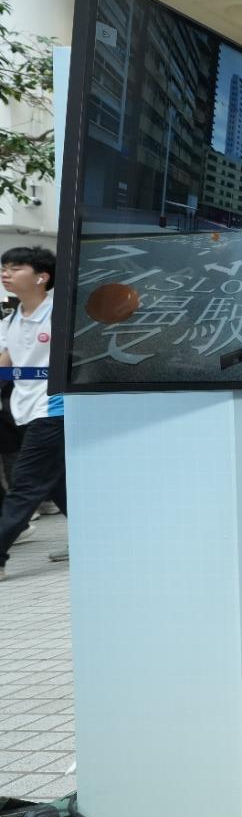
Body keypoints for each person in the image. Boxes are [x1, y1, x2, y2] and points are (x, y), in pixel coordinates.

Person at [0, 247, 68, 580]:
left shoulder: (60, 313)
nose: (5, 273)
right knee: (57, 483)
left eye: (15, 268)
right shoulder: (12, 319)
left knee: (24, 485)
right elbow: (7, 366)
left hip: (53, 409)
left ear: (42, 277)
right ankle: (95, 541)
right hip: (24, 411)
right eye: (4, 268)